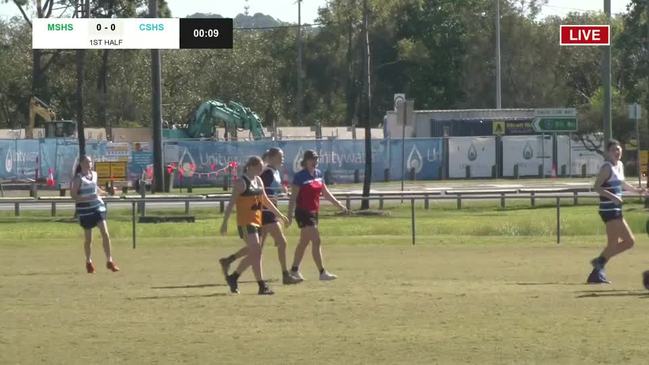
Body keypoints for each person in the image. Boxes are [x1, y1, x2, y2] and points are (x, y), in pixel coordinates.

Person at [219, 148, 302, 285]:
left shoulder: (265, 176)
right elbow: (235, 202)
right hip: (254, 218)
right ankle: (261, 282)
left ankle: (233, 270)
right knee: (258, 250)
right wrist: (225, 222)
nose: (261, 170)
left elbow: (265, 197)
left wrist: (280, 213)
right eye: (280, 156)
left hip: (263, 217)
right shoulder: (253, 178)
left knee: (259, 250)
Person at [587, 139, 647, 284]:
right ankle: (598, 266)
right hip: (608, 209)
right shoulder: (606, 167)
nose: (617, 152)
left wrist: (637, 191)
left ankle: (598, 266)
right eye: (614, 149)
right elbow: (596, 187)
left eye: (619, 149)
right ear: (608, 152)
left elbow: (622, 183)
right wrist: (613, 197)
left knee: (629, 241)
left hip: (616, 209)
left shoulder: (619, 165)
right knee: (615, 244)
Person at [288, 149, 347, 281]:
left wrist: (338, 204)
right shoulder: (300, 176)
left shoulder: (319, 174)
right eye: (312, 159)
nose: (315, 161)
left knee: (303, 243)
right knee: (316, 240)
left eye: (316, 159)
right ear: (306, 161)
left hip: (314, 212)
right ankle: (322, 272)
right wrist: (289, 215)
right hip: (303, 212)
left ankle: (293, 270)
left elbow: (325, 193)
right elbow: (293, 197)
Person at [70, 155, 119, 274]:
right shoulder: (78, 178)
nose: (89, 164)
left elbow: (95, 189)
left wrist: (107, 193)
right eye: (86, 162)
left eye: (90, 162)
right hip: (85, 211)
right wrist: (86, 197)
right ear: (81, 164)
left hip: (97, 207)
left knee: (105, 233)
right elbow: (73, 196)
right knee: (88, 239)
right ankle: (89, 261)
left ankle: (109, 261)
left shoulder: (95, 175)